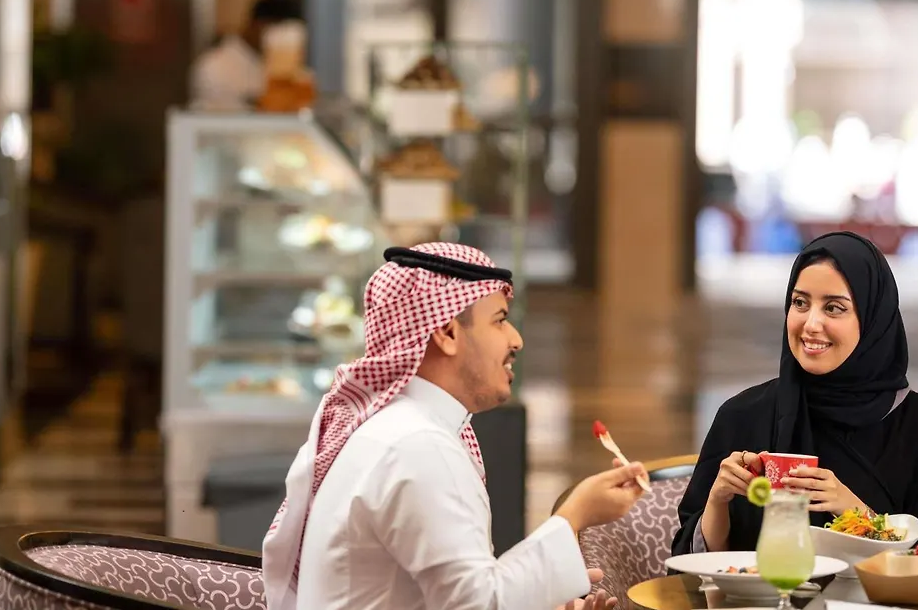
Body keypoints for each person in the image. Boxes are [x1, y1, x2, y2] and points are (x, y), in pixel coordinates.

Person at [263, 243, 649, 610]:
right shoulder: (416, 446)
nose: (516, 339)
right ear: (447, 333)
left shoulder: (400, 429)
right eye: (500, 321)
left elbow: (457, 595)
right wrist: (576, 514)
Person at [672, 231, 918, 557]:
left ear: (873, 319)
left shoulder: (914, 421)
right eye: (800, 303)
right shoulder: (742, 416)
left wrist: (855, 513)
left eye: (834, 308)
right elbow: (691, 565)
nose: (811, 324)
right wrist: (718, 500)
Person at [190, 0, 303, 109]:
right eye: (280, 32)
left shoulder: (290, 67)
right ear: (256, 24)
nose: (282, 39)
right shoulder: (213, 66)